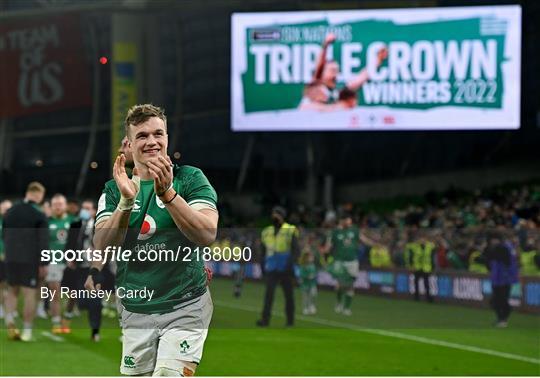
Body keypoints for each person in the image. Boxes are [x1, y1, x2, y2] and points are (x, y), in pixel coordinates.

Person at [85, 104, 218, 376]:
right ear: (129, 144)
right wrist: (125, 202)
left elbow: (206, 234)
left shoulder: (190, 178)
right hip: (136, 308)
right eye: (142, 136)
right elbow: (103, 245)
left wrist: (168, 194)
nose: (152, 141)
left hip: (186, 304)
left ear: (167, 138)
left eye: (158, 134)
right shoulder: (114, 189)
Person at [3, 182, 49, 341]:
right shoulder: (39, 214)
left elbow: (4, 234)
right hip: (30, 259)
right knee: (30, 293)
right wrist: (44, 263)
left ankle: (9, 319)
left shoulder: (10, 211)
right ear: (38, 195)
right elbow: (43, 240)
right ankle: (27, 330)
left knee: (12, 291)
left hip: (11, 257)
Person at [64, 199, 103, 341]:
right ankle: (71, 316)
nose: (85, 211)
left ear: (94, 211)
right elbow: (69, 245)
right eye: (83, 208)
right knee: (81, 300)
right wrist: (69, 258)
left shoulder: (100, 225)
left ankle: (95, 330)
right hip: (79, 268)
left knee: (95, 301)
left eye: (88, 208)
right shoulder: (75, 225)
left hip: (95, 269)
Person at [257, 206, 299, 327]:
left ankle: (290, 321)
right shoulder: (266, 231)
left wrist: (290, 265)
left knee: (289, 296)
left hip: (286, 268)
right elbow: (263, 251)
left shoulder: (290, 230)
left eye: (277, 214)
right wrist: (262, 267)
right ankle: (265, 320)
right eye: (273, 214)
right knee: (268, 296)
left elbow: (296, 250)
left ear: (282, 216)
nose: (274, 216)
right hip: (272, 267)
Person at [323, 211, 360, 316]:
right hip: (339, 262)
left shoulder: (354, 230)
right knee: (340, 285)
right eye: (347, 220)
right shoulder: (334, 232)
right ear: (342, 221)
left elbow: (363, 239)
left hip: (352, 261)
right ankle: (339, 302)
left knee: (350, 285)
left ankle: (346, 308)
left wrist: (376, 243)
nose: (349, 222)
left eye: (350, 220)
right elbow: (328, 246)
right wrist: (325, 257)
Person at [46, 193, 73, 334]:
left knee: (73, 294)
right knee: (54, 293)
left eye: (60, 204)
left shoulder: (74, 221)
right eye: (55, 204)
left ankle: (67, 318)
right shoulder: (47, 222)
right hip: (53, 262)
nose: (57, 207)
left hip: (71, 262)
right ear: (51, 207)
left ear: (65, 206)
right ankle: (56, 321)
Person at [485, 231, 519, 328]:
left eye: (494, 239)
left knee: (502, 299)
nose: (493, 241)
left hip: (504, 278)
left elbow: (506, 261)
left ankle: (503, 319)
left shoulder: (504, 248)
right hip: (496, 278)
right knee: (496, 300)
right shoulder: (502, 248)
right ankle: (501, 319)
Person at [0, 199, 13, 319]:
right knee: (1, 284)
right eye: (4, 208)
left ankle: (10, 308)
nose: (6, 211)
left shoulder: (14, 223)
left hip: (12, 258)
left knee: (11, 285)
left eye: (8, 208)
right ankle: (1, 308)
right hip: (1, 258)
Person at [298, 249, 318, 315]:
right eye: (310, 257)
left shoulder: (313, 265)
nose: (312, 258)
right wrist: (307, 276)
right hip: (305, 284)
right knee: (305, 297)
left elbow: (314, 274)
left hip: (312, 284)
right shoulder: (303, 266)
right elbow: (302, 275)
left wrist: (314, 276)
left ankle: (311, 306)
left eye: (312, 257)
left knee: (312, 295)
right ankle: (305, 308)